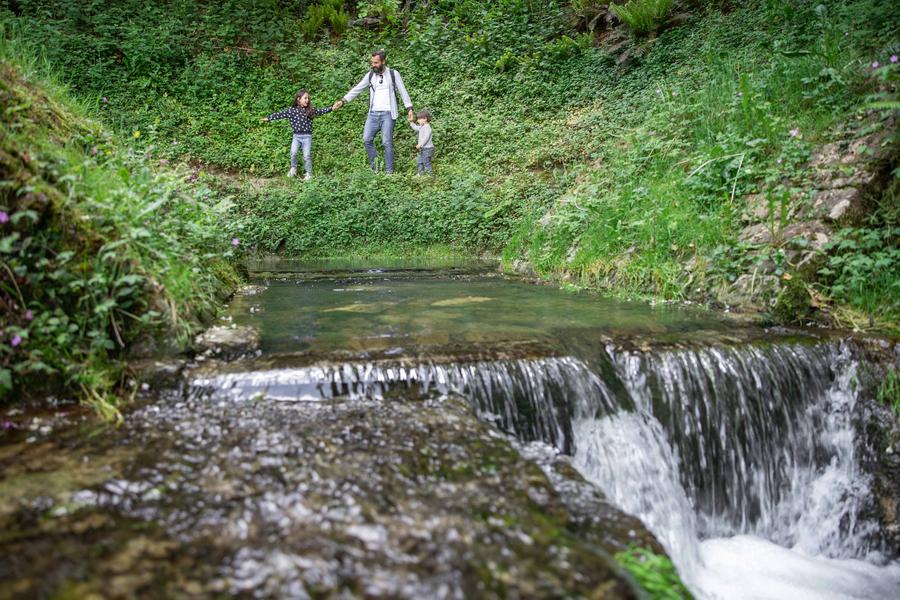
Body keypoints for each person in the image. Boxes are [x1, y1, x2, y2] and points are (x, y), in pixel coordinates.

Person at [332, 50, 414, 174]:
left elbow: (403, 91)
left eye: (376, 63)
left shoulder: (393, 74)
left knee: (386, 142)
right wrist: (343, 101)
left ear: (383, 62)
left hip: (388, 113)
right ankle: (376, 167)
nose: (373, 65)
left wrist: (409, 108)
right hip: (373, 114)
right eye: (372, 62)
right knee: (366, 139)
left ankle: (389, 172)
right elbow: (357, 88)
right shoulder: (371, 75)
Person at [262, 90, 332, 179]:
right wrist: (269, 118)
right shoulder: (292, 110)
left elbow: (321, 111)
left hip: (307, 137)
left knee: (306, 156)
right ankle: (293, 168)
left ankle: (309, 173)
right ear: (299, 99)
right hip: (296, 137)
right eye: (305, 98)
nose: (307, 100)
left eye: (308, 98)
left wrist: (331, 108)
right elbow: (280, 114)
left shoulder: (310, 110)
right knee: (293, 153)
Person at [408, 110, 434, 175]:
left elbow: (426, 137)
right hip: (422, 149)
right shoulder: (422, 126)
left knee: (426, 162)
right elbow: (415, 127)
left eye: (419, 119)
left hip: (428, 149)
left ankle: (430, 175)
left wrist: (420, 144)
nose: (418, 121)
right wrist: (411, 122)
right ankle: (420, 174)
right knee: (419, 161)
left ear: (425, 119)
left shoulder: (428, 127)